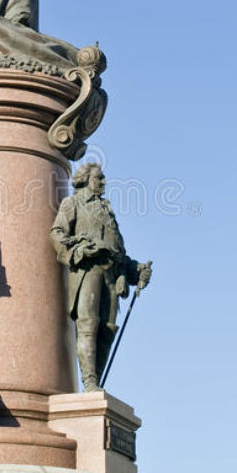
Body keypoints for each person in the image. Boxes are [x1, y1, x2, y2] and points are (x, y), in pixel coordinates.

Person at [50, 163, 151, 391]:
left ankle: (94, 385)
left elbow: (119, 252)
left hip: (112, 275)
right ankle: (90, 381)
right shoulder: (73, 203)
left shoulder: (106, 210)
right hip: (89, 270)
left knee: (107, 329)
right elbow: (57, 233)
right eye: (99, 178)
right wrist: (78, 251)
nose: (104, 183)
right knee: (88, 324)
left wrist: (136, 270)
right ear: (85, 180)